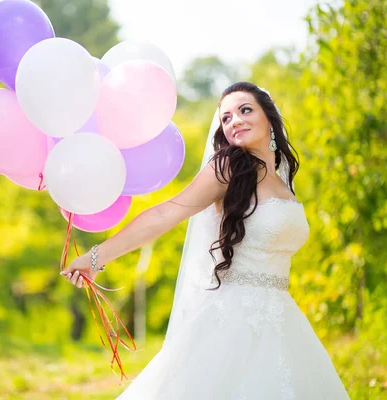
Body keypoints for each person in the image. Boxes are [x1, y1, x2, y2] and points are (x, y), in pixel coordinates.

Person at [60, 81, 350, 399]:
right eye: (226, 117)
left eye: (244, 110)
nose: (234, 121)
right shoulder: (227, 169)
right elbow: (165, 214)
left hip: (282, 317)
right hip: (232, 320)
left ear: (269, 116)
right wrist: (95, 257)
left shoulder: (283, 182)